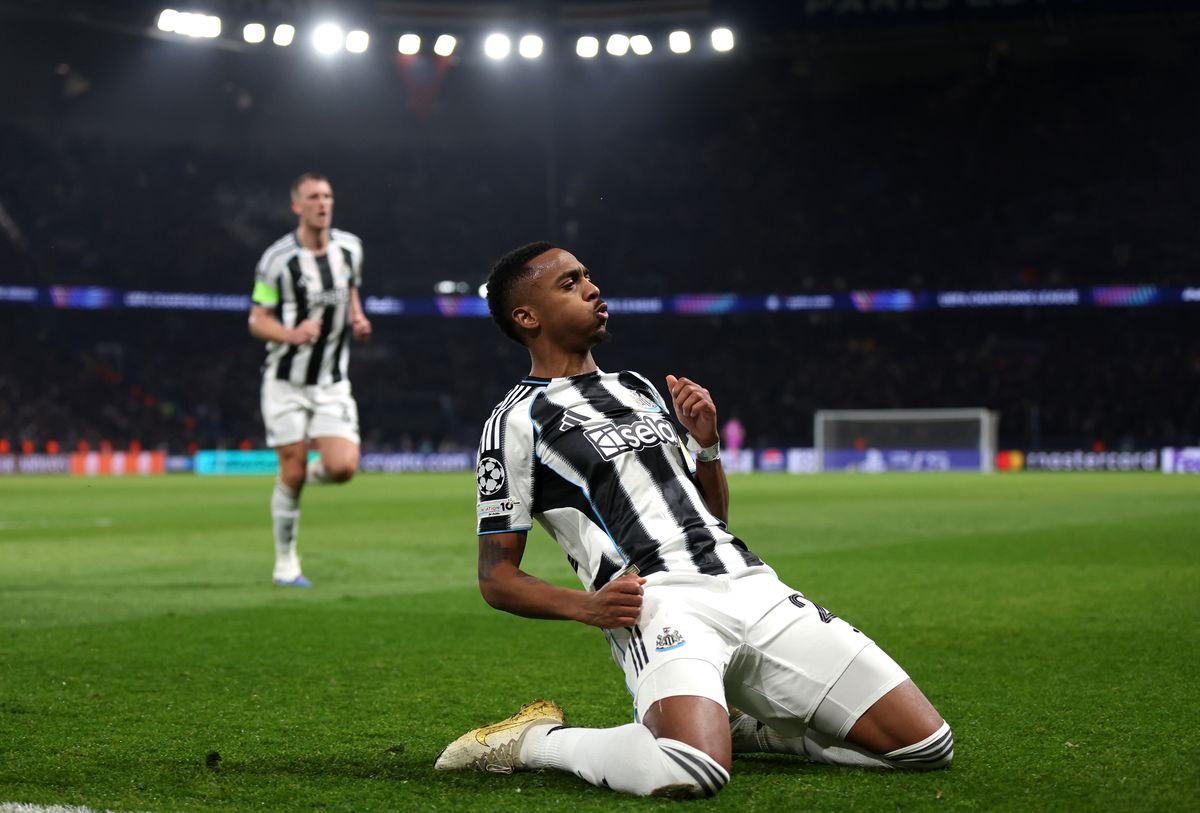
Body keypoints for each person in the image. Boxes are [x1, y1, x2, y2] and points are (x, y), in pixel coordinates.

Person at [434, 242, 952, 797]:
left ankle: (746, 730)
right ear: (527, 317)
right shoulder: (515, 421)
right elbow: (496, 578)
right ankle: (535, 741)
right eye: (569, 283)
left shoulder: (636, 388)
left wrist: (706, 448)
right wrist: (587, 607)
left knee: (924, 747)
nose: (592, 288)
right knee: (690, 770)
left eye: (588, 276)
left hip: (750, 583)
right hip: (659, 602)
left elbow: (710, 516)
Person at [247, 172, 372, 587]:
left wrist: (356, 316)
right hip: (285, 381)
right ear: (296, 206)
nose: (323, 203)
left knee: (342, 467)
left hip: (331, 381)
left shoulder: (350, 248)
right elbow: (257, 320)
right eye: (313, 197)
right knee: (294, 471)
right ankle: (286, 566)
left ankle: (294, 475)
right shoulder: (277, 260)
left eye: (328, 196)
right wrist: (290, 334)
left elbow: (351, 288)